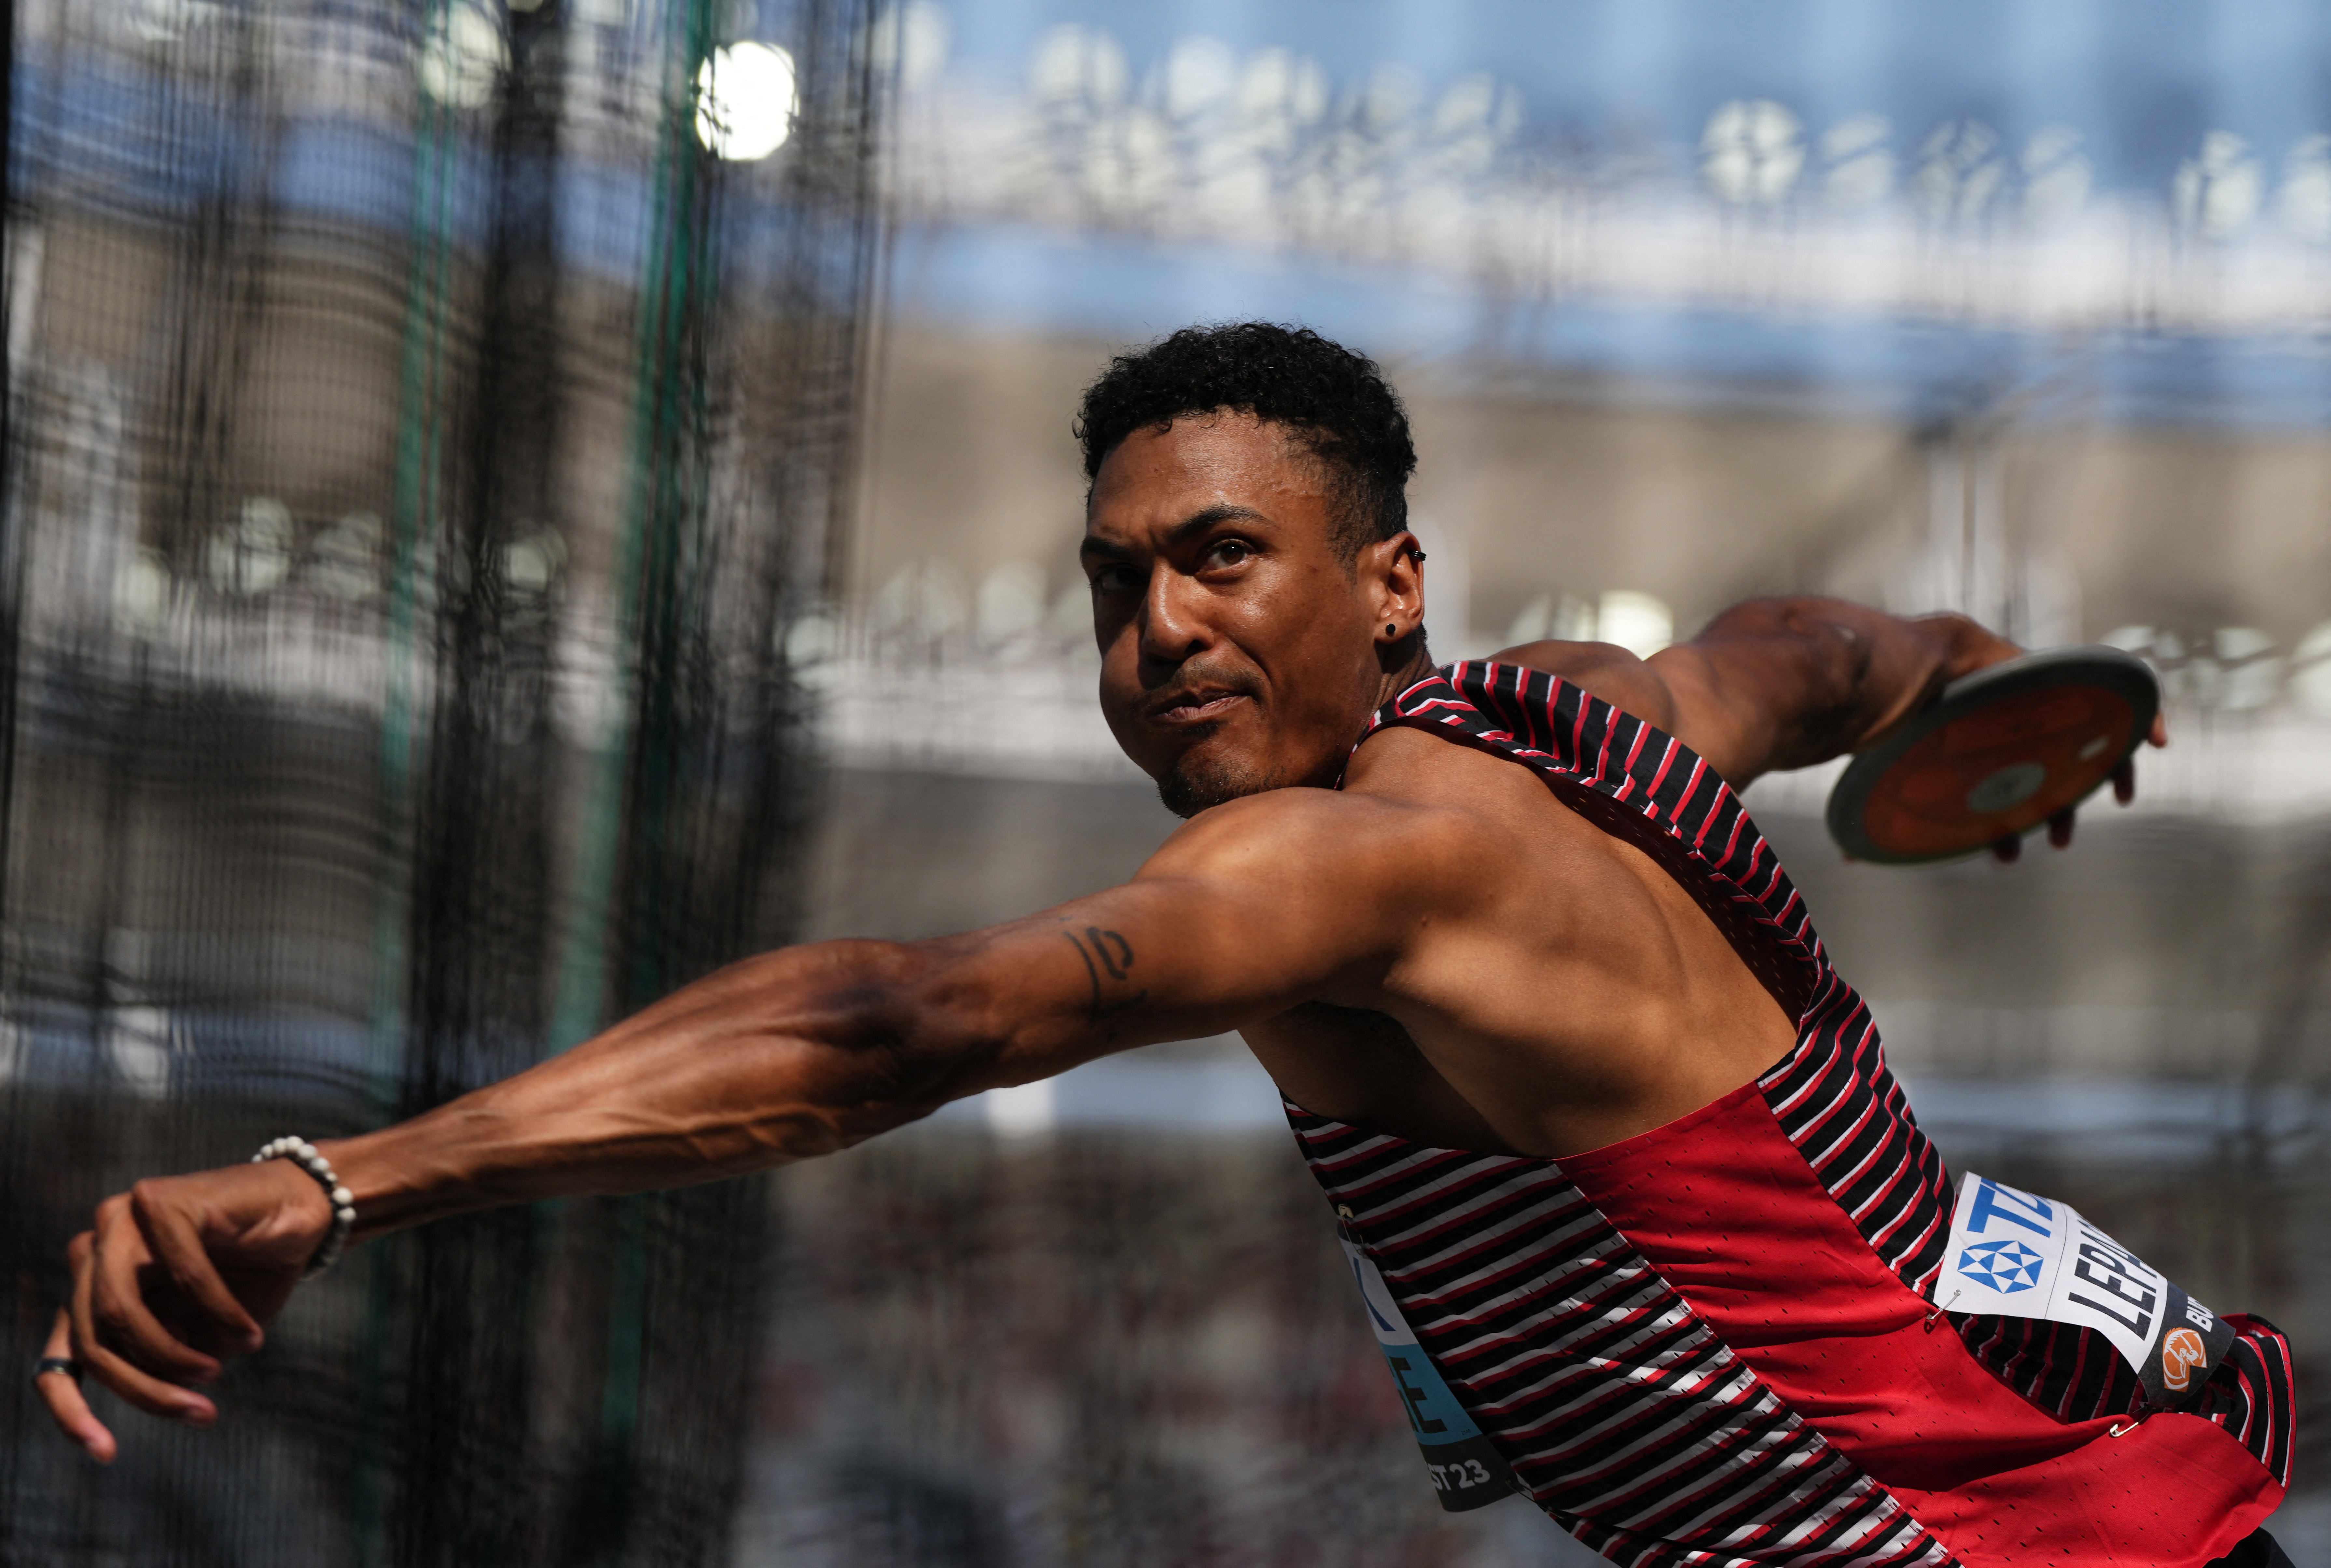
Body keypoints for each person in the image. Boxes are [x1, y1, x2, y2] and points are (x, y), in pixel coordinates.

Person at [40, 324, 2292, 1567]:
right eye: (1120, 582)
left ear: (1389, 583)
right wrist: (2002, 698)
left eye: (1225, 557)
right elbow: (1816, 650)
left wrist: (346, 1177)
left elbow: (903, 1018)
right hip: (2139, 1497)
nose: (1162, 631)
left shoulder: (1363, 862)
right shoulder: (1589, 714)